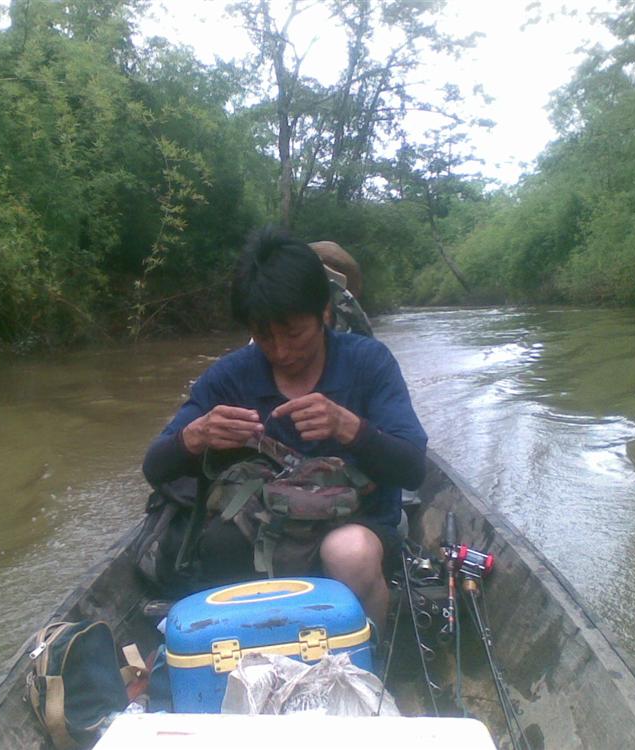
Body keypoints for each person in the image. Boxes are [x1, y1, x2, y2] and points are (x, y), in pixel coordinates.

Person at [141, 227, 427, 625]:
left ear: (325, 312)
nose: (280, 350)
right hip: (263, 528)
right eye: (263, 335)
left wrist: (351, 429)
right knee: (219, 542)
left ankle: (366, 661)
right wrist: (194, 438)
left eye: (294, 333)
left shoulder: (369, 363)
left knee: (349, 553)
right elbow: (154, 468)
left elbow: (414, 468)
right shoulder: (230, 378)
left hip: (357, 525)